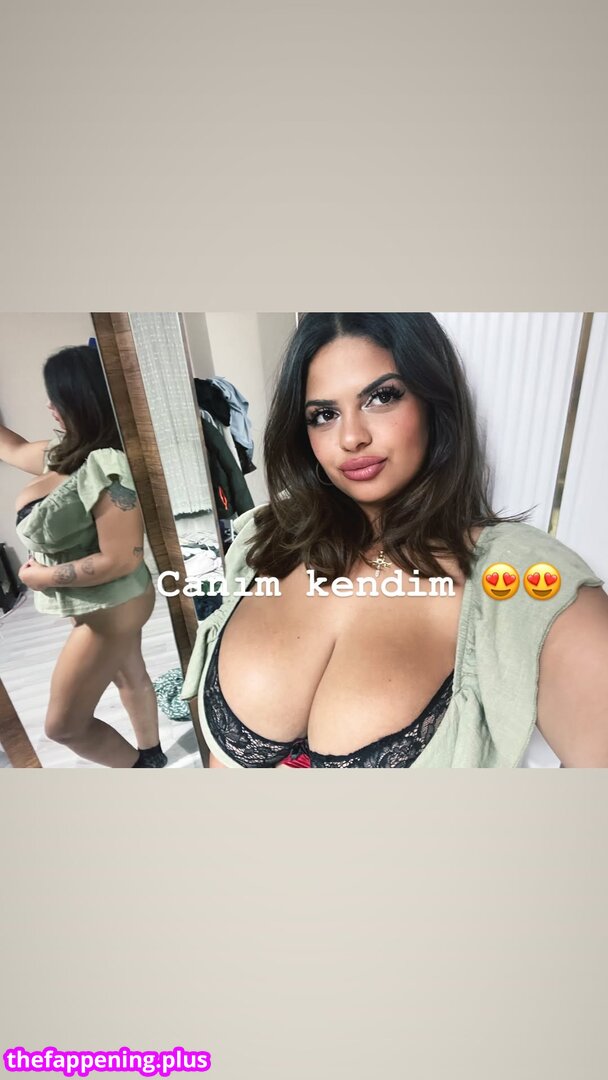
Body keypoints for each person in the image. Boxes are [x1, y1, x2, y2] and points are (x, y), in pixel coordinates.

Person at [180, 313, 608, 768]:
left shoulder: (526, 583)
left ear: (433, 401)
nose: (351, 437)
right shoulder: (264, 539)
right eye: (324, 415)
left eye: (381, 397)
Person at [1, 344, 167, 768]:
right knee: (130, 674)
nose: (49, 406)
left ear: (79, 401)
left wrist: (41, 578)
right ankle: (152, 755)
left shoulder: (105, 465)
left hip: (112, 605)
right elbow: (13, 448)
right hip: (105, 601)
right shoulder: (64, 454)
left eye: (56, 398)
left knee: (64, 726)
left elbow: (122, 558)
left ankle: (142, 775)